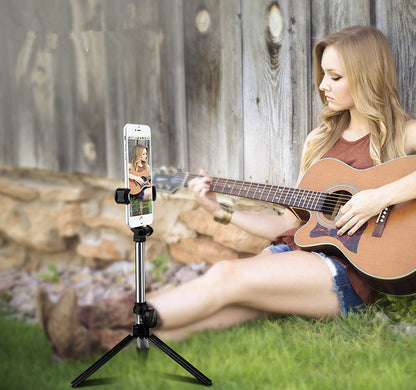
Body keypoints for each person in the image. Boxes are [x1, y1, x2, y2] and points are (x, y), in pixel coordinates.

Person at [36, 25, 416, 357]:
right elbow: (289, 222)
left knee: (224, 277)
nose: (322, 86)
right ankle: (86, 342)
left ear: (366, 77)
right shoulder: (321, 141)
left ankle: (91, 313)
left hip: (347, 277)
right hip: (293, 258)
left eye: (335, 77)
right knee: (217, 312)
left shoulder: (402, 133)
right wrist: (219, 210)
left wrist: (378, 198)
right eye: (323, 75)